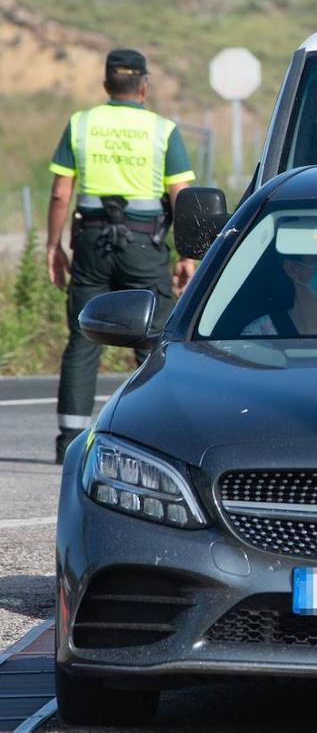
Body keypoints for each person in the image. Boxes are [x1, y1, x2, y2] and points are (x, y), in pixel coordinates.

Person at [46, 48, 198, 464]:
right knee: (155, 340)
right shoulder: (162, 130)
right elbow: (180, 195)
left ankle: (68, 440)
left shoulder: (82, 124)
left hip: (92, 242)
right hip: (143, 246)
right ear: (144, 86)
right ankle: (156, 438)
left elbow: (62, 191)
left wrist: (52, 245)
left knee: (82, 338)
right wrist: (187, 254)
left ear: (106, 85)